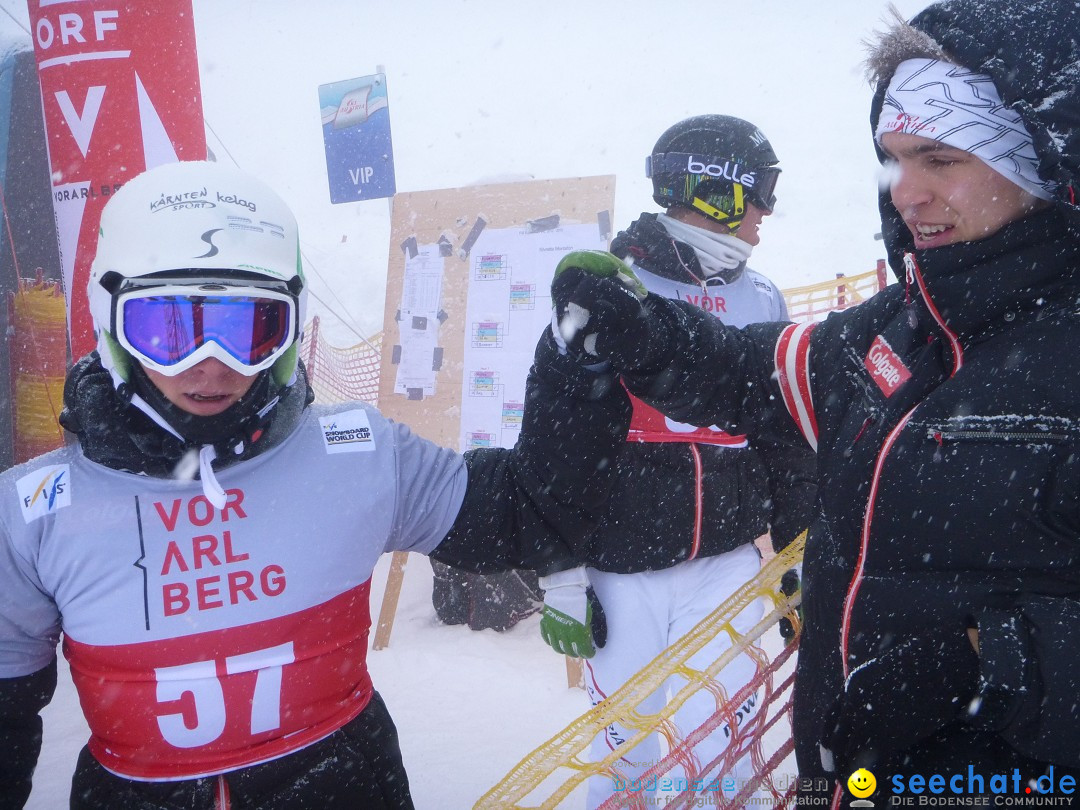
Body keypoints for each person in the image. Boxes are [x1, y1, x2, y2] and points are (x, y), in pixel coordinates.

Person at [546, 0, 1080, 804]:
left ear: (1037, 155)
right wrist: (647, 333)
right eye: (894, 159)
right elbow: (753, 373)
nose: (908, 193)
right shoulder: (897, 329)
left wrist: (994, 664)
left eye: (940, 159)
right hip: (841, 780)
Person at [0, 160, 631, 809]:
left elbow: (522, 512)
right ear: (113, 324)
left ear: (289, 325)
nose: (212, 364)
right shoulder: (34, 515)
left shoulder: (355, 455)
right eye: (169, 330)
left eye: (249, 328)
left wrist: (575, 375)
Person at [536, 115, 816, 807]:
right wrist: (559, 569)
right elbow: (554, 438)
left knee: (730, 748)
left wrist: (800, 553)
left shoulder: (761, 296)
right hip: (621, 568)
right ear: (718, 191)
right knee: (625, 755)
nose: (767, 212)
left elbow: (784, 439)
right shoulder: (611, 286)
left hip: (725, 562)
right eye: (762, 191)